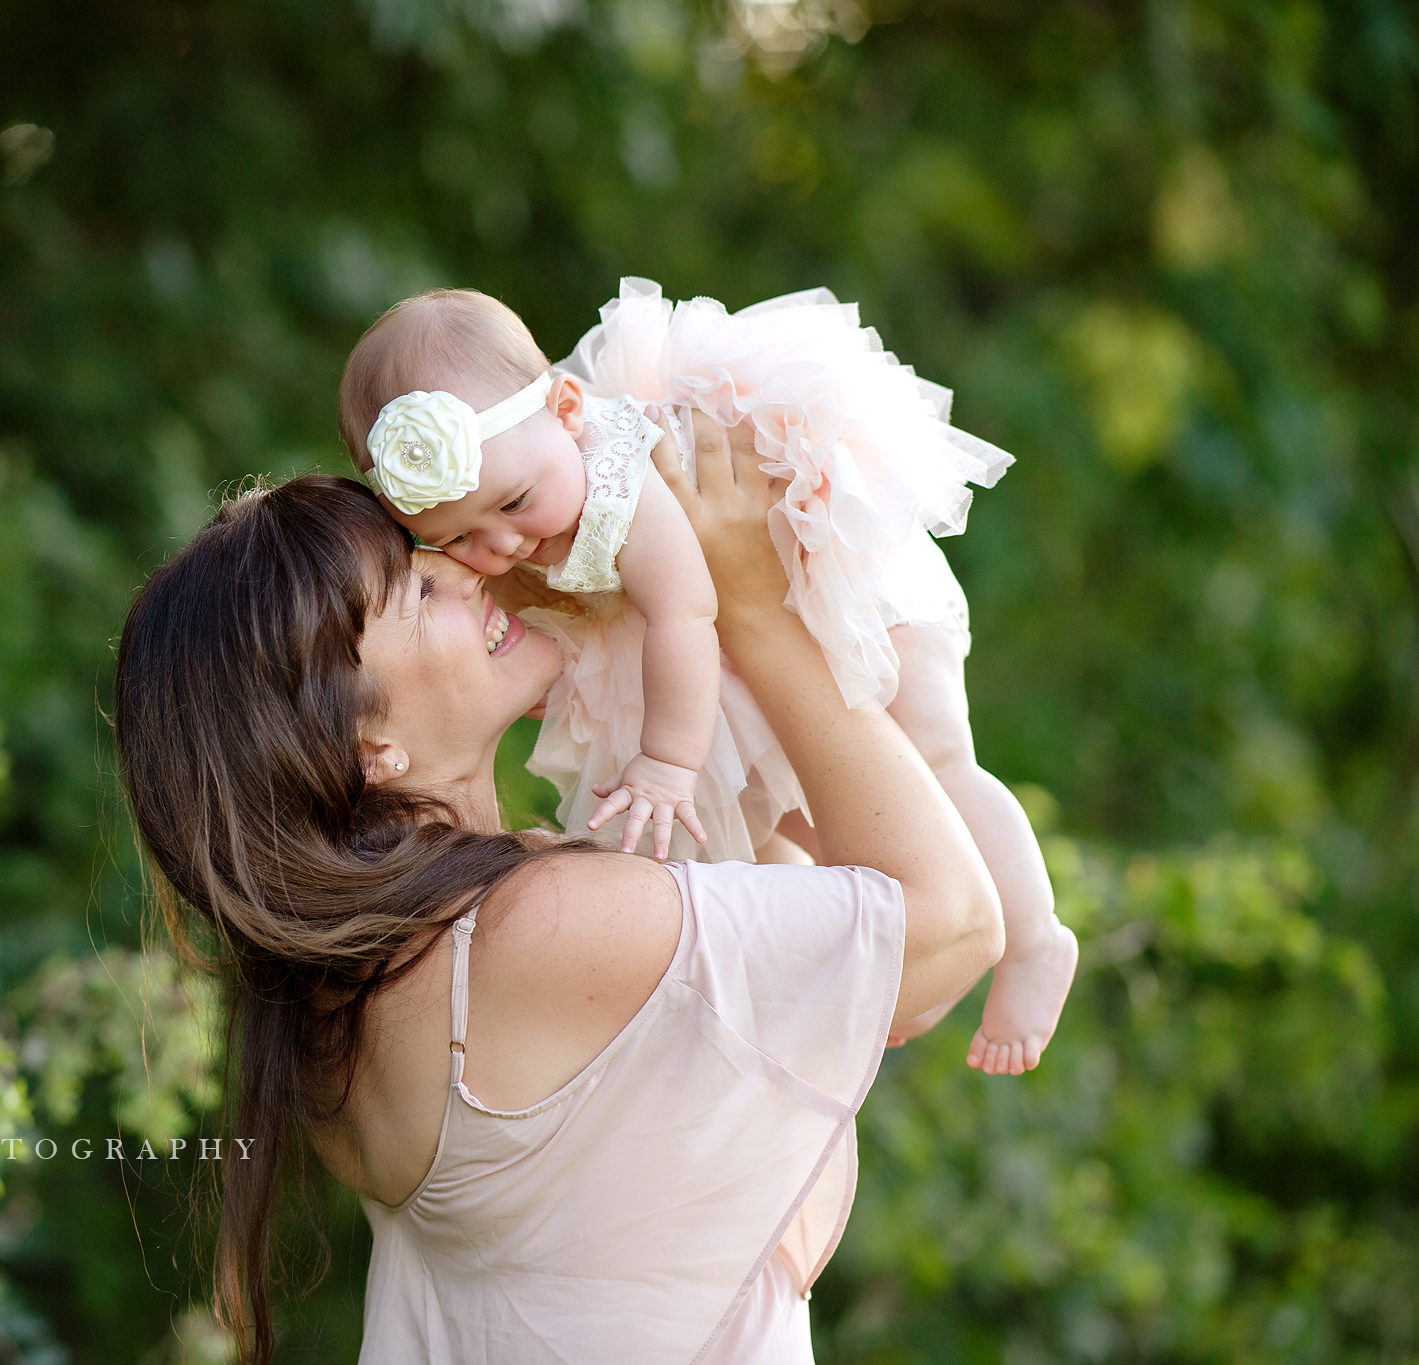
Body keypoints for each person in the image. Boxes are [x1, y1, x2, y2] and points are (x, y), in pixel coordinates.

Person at [113, 414, 1006, 1363]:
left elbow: (780, 915)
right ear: (369, 748)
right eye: (419, 588)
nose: (469, 570)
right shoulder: (525, 933)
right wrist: (744, 603)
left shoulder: (350, 986)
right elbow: (952, 925)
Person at [335, 281, 1078, 1074]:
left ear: (566, 409)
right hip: (744, 635)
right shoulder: (532, 490)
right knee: (791, 822)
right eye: (460, 537)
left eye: (515, 503)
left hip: (831, 579)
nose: (502, 544)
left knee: (933, 762)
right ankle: (897, 968)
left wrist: (666, 763)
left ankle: (1035, 938)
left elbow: (686, 609)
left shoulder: (620, 469)